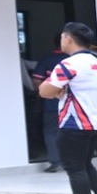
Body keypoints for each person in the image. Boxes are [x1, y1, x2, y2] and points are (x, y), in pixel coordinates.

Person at [36, 23, 97, 194]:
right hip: (94, 121)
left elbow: (44, 91)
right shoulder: (95, 62)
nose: (61, 41)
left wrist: (54, 88)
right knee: (86, 165)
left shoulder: (68, 64)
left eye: (62, 37)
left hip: (74, 123)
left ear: (68, 39)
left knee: (75, 168)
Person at [28, 44, 67, 173]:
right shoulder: (74, 61)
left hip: (52, 103)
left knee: (51, 132)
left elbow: (36, 82)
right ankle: (74, 161)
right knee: (74, 132)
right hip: (73, 103)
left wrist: (44, 92)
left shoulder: (46, 60)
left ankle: (56, 162)